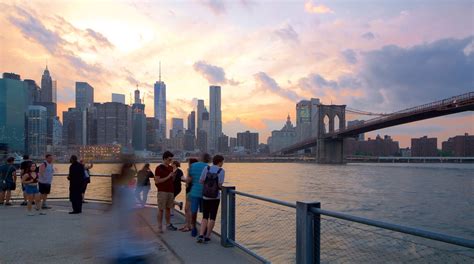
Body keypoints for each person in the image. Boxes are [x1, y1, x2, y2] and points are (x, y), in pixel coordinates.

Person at [197, 155, 225, 243]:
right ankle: (207, 236)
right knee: (212, 217)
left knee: (205, 216)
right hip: (215, 197)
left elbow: (201, 181)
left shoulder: (206, 168)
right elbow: (220, 185)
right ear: (220, 162)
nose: (223, 163)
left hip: (206, 196)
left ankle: (201, 235)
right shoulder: (221, 171)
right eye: (222, 162)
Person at [154, 151, 178, 233]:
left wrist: (173, 176)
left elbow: (172, 180)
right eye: (169, 160)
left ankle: (168, 224)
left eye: (171, 160)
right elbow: (157, 181)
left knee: (168, 209)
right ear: (164, 159)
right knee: (161, 209)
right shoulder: (158, 168)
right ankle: (159, 226)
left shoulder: (171, 168)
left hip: (170, 191)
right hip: (162, 191)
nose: (170, 161)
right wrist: (168, 176)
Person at [188, 153, 211, 237]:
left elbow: (189, 179)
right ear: (208, 159)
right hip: (205, 193)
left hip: (194, 192)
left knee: (193, 211)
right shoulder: (209, 167)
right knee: (205, 213)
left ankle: (194, 228)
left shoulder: (192, 166)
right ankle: (204, 229)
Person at [179, 158, 198, 232]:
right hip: (189, 190)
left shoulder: (191, 170)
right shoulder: (193, 170)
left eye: (189, 162)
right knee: (187, 209)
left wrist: (182, 179)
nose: (188, 163)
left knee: (187, 209)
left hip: (190, 190)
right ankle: (187, 224)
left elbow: (189, 180)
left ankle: (188, 226)